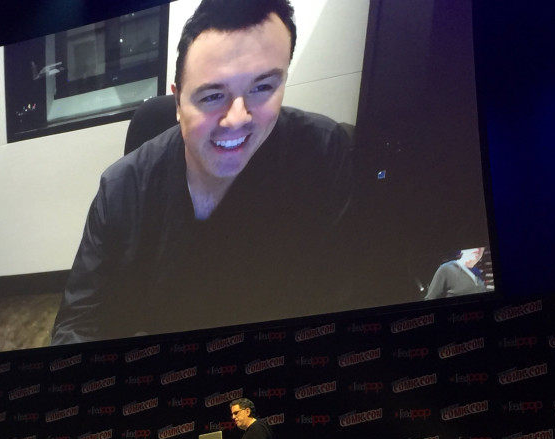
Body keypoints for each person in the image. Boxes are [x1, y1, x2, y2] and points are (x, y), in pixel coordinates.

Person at [51, 0, 354, 345]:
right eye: (212, 95)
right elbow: (79, 322)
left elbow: (339, 296)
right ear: (178, 103)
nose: (238, 118)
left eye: (262, 87)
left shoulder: (321, 152)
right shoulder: (122, 188)